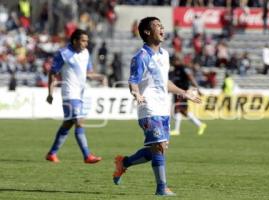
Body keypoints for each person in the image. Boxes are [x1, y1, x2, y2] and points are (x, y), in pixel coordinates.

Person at [112, 17, 201, 196]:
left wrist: (184, 92)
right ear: (147, 32)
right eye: (157, 25)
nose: (161, 28)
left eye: (162, 25)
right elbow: (133, 81)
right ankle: (162, 188)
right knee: (159, 147)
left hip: (163, 108)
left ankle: (125, 162)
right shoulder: (141, 56)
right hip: (148, 108)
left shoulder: (164, 55)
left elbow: (164, 82)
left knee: (157, 150)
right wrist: (136, 93)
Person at [45, 29, 105, 164]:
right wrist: (50, 92)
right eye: (83, 41)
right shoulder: (64, 53)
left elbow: (88, 73)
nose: (86, 44)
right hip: (69, 93)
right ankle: (87, 155)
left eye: (87, 41)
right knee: (78, 121)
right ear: (75, 41)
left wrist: (100, 77)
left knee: (68, 124)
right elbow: (53, 72)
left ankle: (52, 153)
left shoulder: (86, 53)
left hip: (81, 94)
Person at [169, 55, 207, 136]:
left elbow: (191, 78)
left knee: (177, 109)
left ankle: (176, 130)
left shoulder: (183, 68)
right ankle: (200, 124)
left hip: (183, 92)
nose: (171, 63)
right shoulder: (176, 69)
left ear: (175, 61)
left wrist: (198, 89)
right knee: (184, 111)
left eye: (172, 61)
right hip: (178, 92)